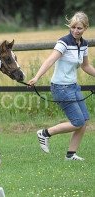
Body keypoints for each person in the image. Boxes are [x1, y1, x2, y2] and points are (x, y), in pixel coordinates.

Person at [28, 11, 95, 160]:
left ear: (86, 28)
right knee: (77, 122)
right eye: (73, 27)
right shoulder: (63, 42)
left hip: (73, 86)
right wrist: (36, 77)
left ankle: (71, 155)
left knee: (83, 121)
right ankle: (44, 133)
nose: (76, 31)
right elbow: (50, 60)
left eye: (79, 28)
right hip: (61, 88)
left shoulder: (84, 44)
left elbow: (86, 66)